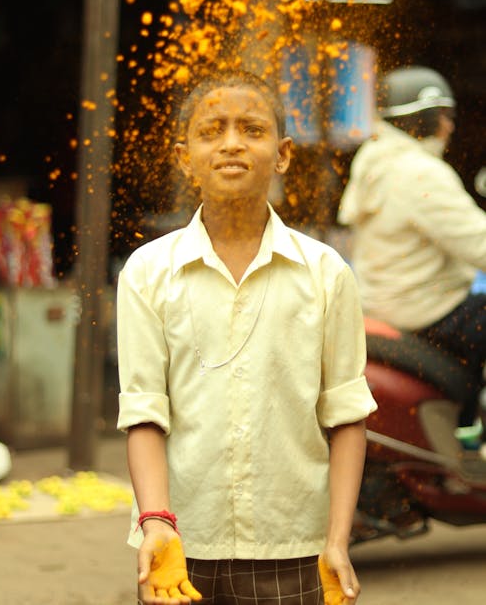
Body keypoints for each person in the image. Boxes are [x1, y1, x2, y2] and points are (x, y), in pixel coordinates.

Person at [117, 69, 377, 605]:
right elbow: (144, 410)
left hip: (296, 550)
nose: (232, 143)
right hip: (180, 546)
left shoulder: (327, 274)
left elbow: (347, 415)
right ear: (184, 156)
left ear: (281, 154)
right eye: (212, 130)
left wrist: (336, 540)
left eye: (251, 129)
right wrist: (156, 522)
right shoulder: (147, 273)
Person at [338, 65, 486, 428]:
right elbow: (479, 244)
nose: (450, 127)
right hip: (426, 310)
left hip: (384, 302)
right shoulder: (419, 172)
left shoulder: (375, 161)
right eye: (444, 116)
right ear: (422, 118)